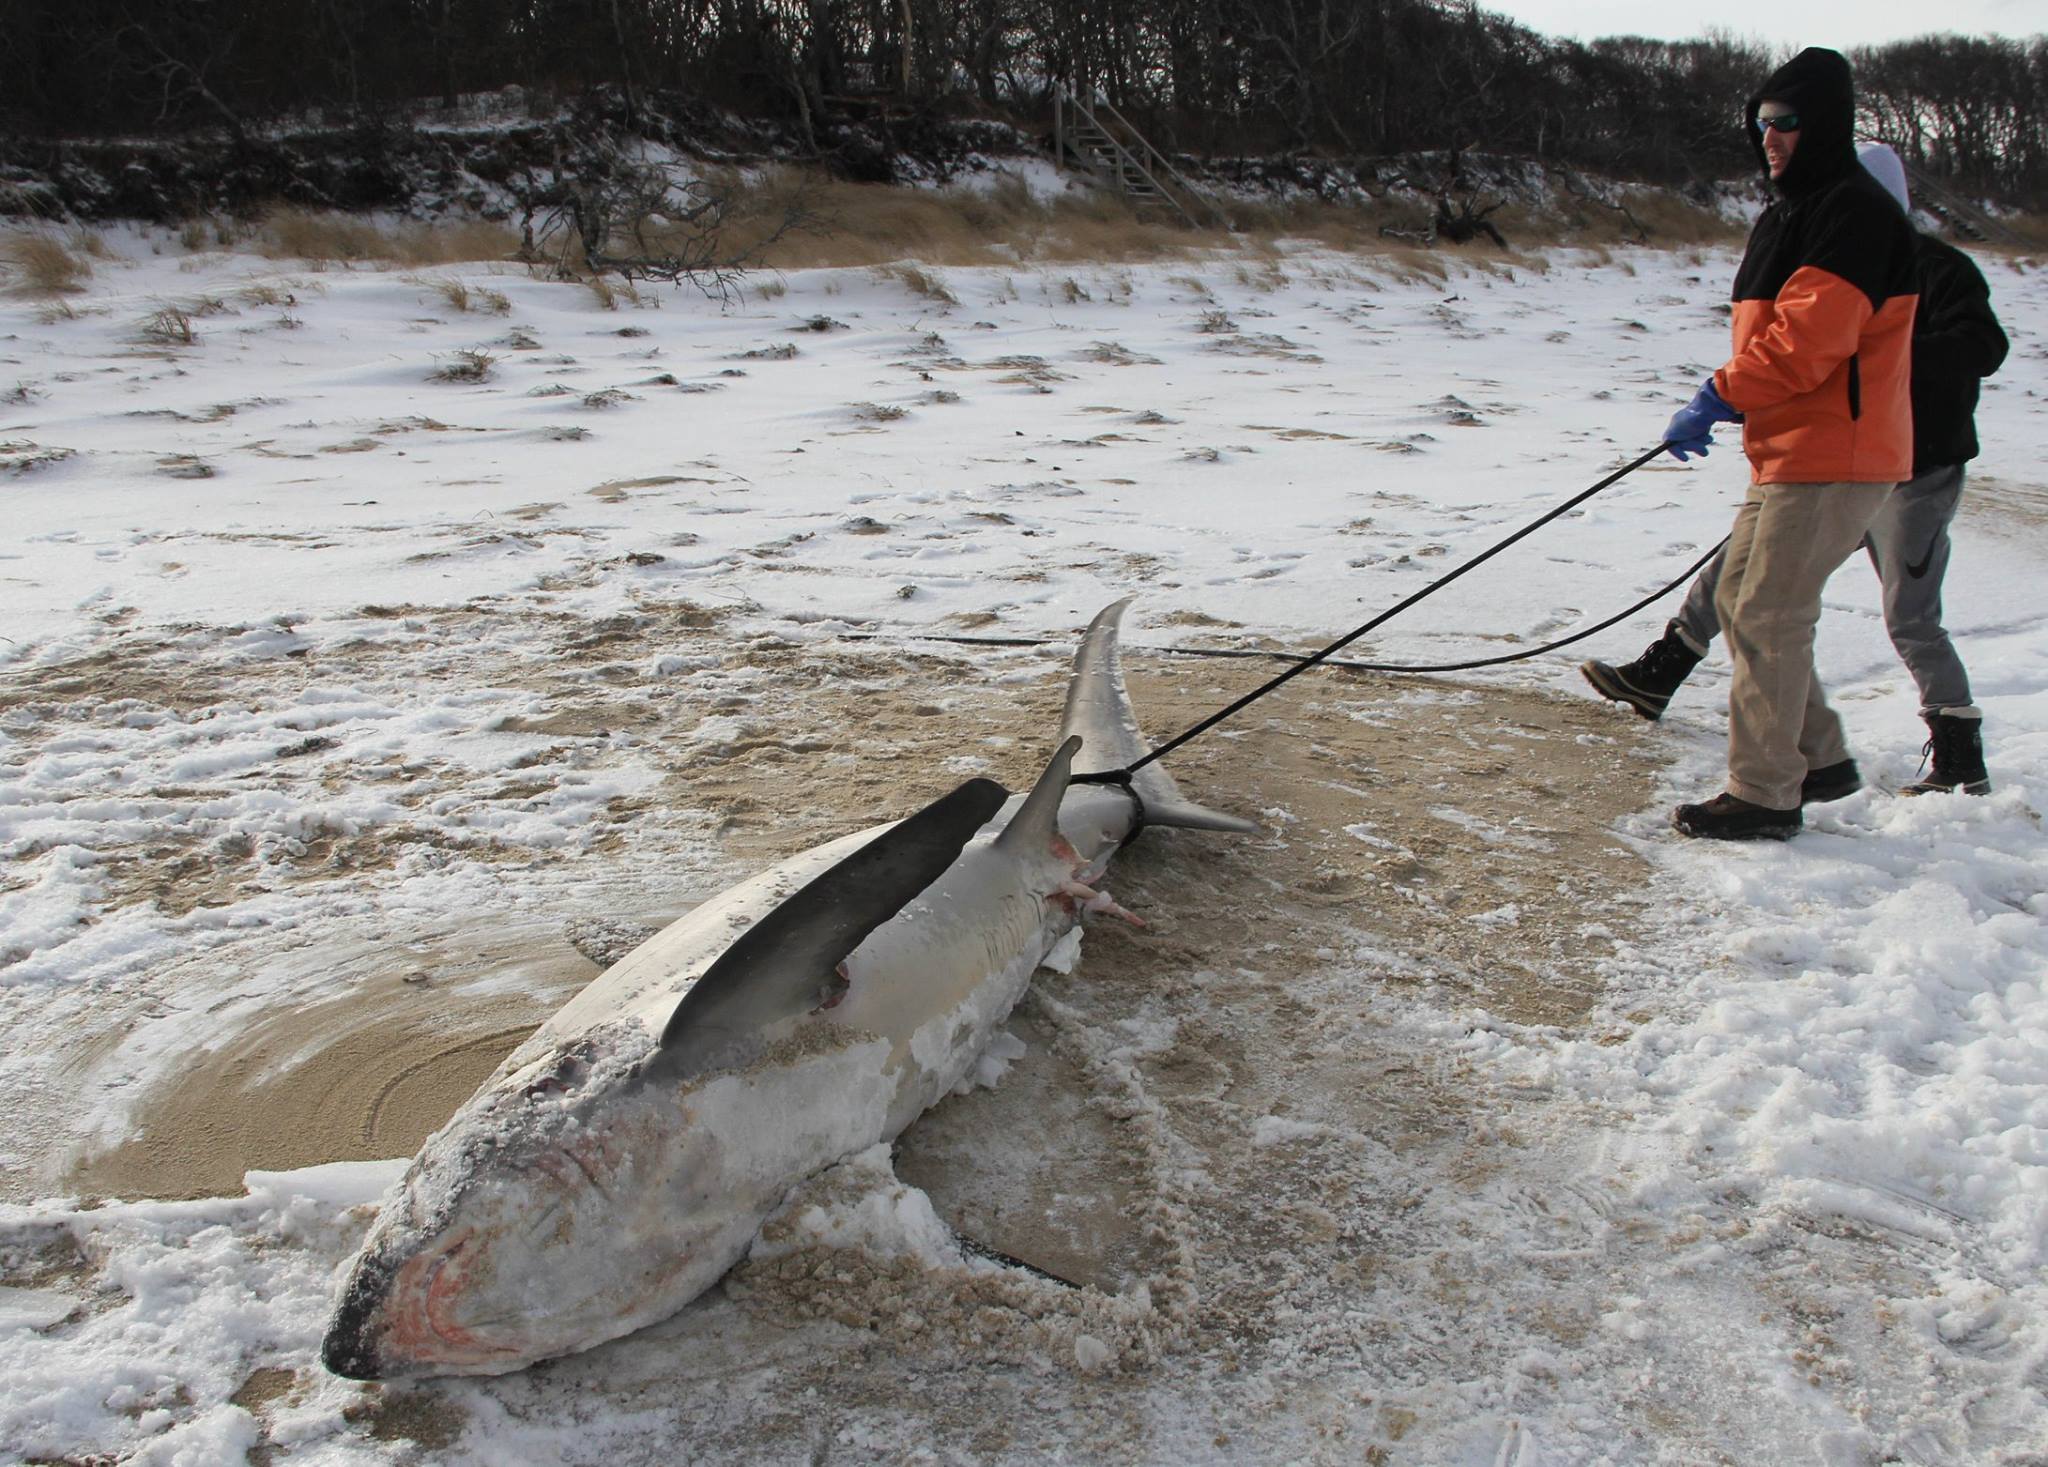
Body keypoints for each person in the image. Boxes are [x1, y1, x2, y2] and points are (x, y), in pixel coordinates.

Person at [1583, 142, 2007, 803]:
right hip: (1830, 457)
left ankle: (1957, 754)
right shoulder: (1820, 258)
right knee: (1742, 571)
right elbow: (1795, 350)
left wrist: (1882, 354)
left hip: (1916, 473)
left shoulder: (1937, 267)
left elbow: (1984, 346)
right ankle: (1662, 671)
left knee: (1909, 615)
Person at [1624, 47, 1920, 841]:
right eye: (1761, 124)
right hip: (1792, 448)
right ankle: (1815, 757)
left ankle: (1764, 792)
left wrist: (1719, 394)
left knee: (1768, 611)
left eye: (1786, 123)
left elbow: (1806, 344)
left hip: (1837, 453)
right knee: (1740, 599)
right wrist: (1731, 402)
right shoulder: (1797, 209)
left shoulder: (1852, 213)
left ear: (1823, 125)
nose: (1771, 138)